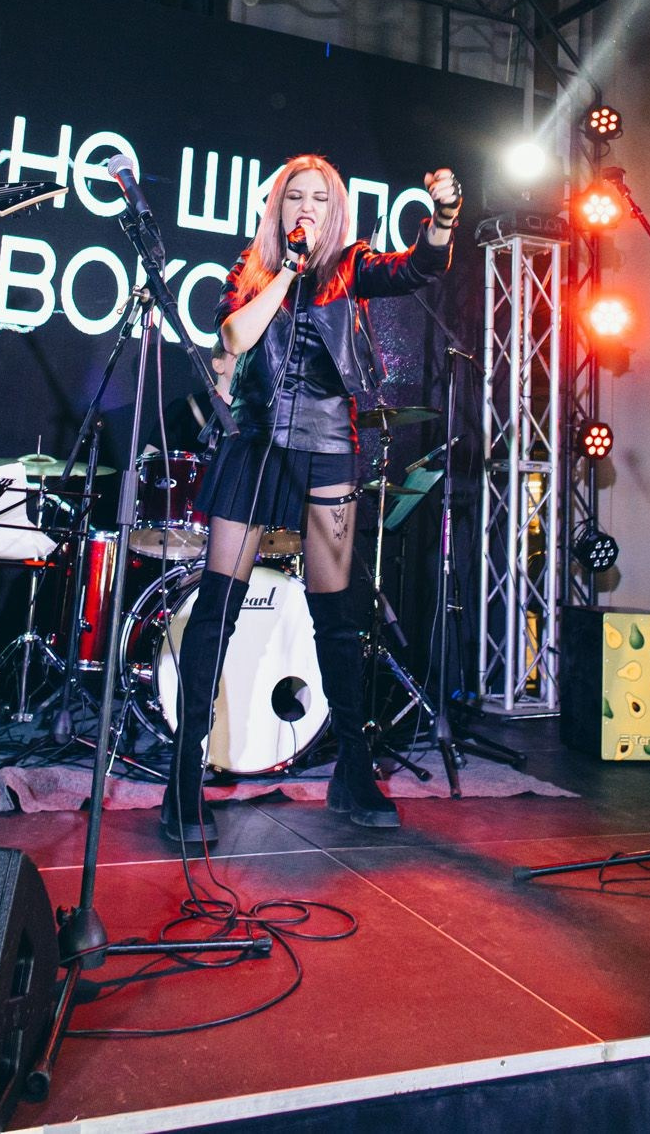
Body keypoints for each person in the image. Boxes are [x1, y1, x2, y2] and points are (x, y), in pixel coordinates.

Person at [159, 155, 458, 848]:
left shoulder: (352, 266)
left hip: (327, 441)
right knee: (216, 609)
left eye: (319, 198)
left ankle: (352, 768)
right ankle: (184, 773)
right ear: (278, 205)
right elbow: (234, 336)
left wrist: (442, 218)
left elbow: (420, 266)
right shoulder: (252, 268)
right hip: (255, 438)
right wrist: (287, 269)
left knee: (338, 612)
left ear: (335, 211)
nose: (307, 206)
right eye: (295, 195)